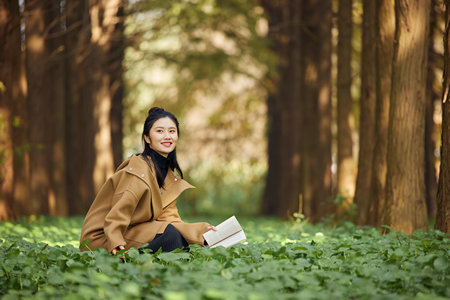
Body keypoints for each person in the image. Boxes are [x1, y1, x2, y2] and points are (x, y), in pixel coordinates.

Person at [80, 107, 216, 255]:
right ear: (147, 138)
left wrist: (203, 232)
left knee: (176, 238)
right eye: (159, 131)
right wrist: (115, 241)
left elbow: (170, 219)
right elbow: (118, 212)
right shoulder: (138, 170)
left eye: (172, 131)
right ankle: (129, 260)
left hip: (133, 230)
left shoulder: (169, 176)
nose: (167, 136)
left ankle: (139, 259)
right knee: (171, 237)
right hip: (102, 239)